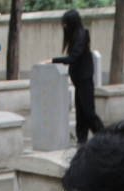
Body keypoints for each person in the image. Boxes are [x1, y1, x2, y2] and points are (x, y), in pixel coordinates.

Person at [45, 10, 104, 145]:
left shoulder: (81, 36)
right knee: (81, 114)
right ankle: (81, 141)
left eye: (66, 23)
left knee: (88, 112)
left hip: (84, 79)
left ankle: (103, 137)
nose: (64, 26)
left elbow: (73, 58)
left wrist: (53, 60)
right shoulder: (76, 36)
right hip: (79, 80)